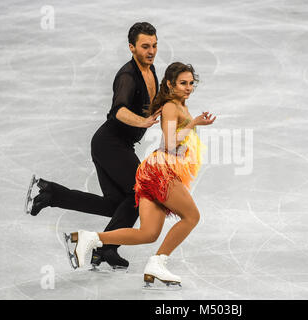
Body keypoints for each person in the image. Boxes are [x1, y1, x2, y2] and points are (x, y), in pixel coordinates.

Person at [63, 62, 216, 288]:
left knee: (148, 233)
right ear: (170, 84)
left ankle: (90, 239)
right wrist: (193, 123)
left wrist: (193, 127)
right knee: (191, 217)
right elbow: (171, 143)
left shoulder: (180, 105)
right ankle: (158, 262)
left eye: (191, 83)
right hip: (161, 172)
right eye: (183, 83)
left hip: (154, 169)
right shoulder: (172, 106)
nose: (188, 87)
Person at [25, 22, 161, 270]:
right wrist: (144, 121)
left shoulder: (151, 71)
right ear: (131, 48)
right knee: (142, 192)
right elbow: (118, 110)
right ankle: (104, 247)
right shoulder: (127, 77)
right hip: (110, 143)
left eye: (154, 45)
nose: (151, 51)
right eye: (145, 46)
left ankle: (51, 194)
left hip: (117, 145)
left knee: (117, 206)